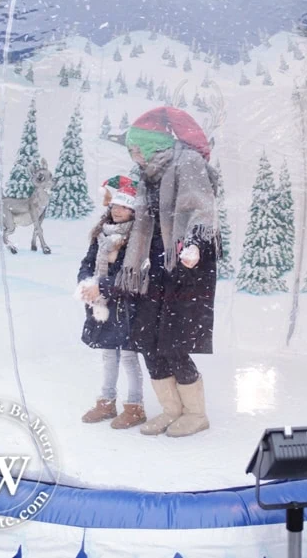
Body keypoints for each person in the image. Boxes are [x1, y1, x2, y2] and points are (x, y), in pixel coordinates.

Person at [118, 106, 219, 438]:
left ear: (150, 144)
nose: (133, 154)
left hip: (185, 266)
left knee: (173, 343)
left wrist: (194, 244)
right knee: (148, 340)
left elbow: (199, 207)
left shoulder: (186, 162)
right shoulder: (149, 175)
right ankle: (171, 410)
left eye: (136, 148)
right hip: (154, 270)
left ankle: (195, 413)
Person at [77, 181, 146, 429]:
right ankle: (106, 402)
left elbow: (131, 275)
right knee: (108, 355)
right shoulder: (101, 234)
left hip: (127, 307)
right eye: (115, 206)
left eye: (124, 207)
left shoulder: (137, 238)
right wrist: (86, 283)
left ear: (133, 212)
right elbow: (87, 262)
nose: (118, 211)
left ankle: (135, 406)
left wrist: (102, 286)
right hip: (103, 303)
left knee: (128, 357)